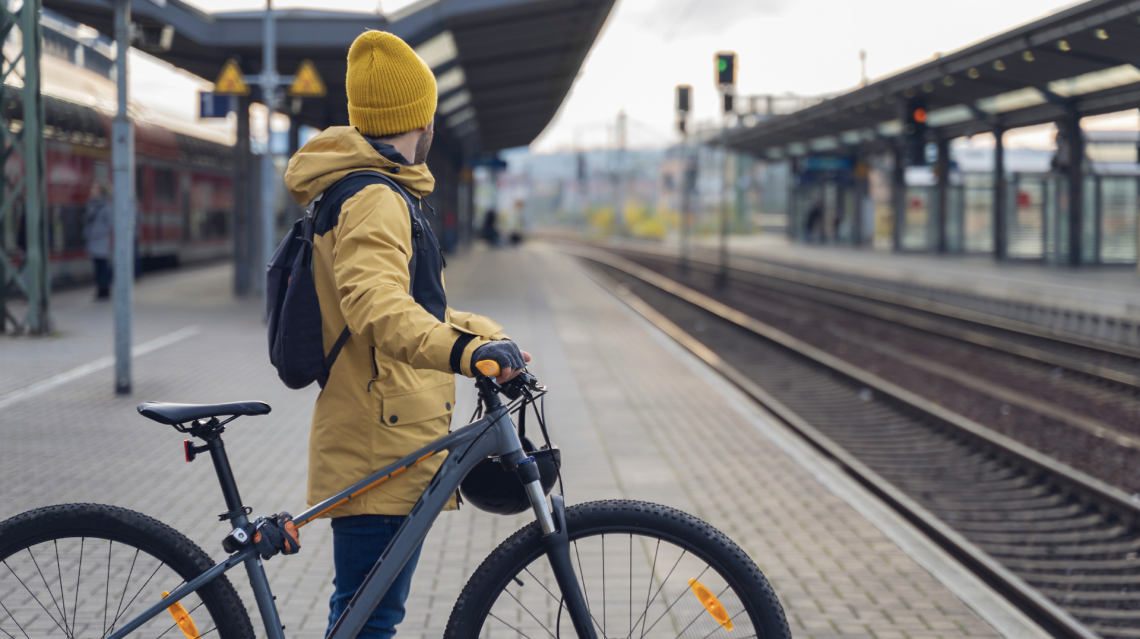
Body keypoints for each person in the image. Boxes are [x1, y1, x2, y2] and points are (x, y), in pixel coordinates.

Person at [283, 30, 531, 639]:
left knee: (368, 615)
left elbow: (418, 307)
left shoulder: (378, 191)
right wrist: (467, 353)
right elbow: (377, 309)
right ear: (420, 118)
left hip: (389, 436)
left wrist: (484, 337)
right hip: (378, 445)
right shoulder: (373, 197)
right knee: (368, 622)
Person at [84, 181, 113, 300]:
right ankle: (99, 291)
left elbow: (110, 224)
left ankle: (104, 291)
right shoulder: (92, 205)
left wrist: (98, 232)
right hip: (93, 240)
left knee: (102, 267)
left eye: (94, 191)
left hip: (101, 241)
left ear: (100, 193)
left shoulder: (106, 207)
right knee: (97, 267)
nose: (92, 192)